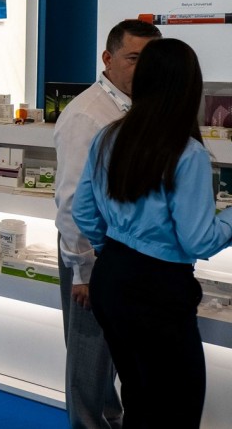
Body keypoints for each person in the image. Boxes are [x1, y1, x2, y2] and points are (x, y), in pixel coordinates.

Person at [73, 38, 232, 427]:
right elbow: (199, 239)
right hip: (158, 290)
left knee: (139, 396)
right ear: (189, 89)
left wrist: (111, 250)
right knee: (176, 406)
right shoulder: (188, 153)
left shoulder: (109, 136)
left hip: (112, 276)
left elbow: (83, 210)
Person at [53, 18, 160, 429]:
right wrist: (82, 270)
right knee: (89, 356)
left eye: (150, 59)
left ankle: (109, 420)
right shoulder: (88, 115)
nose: (142, 67)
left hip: (124, 250)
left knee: (111, 353)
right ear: (108, 59)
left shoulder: (136, 107)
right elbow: (71, 203)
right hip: (93, 252)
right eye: (133, 58)